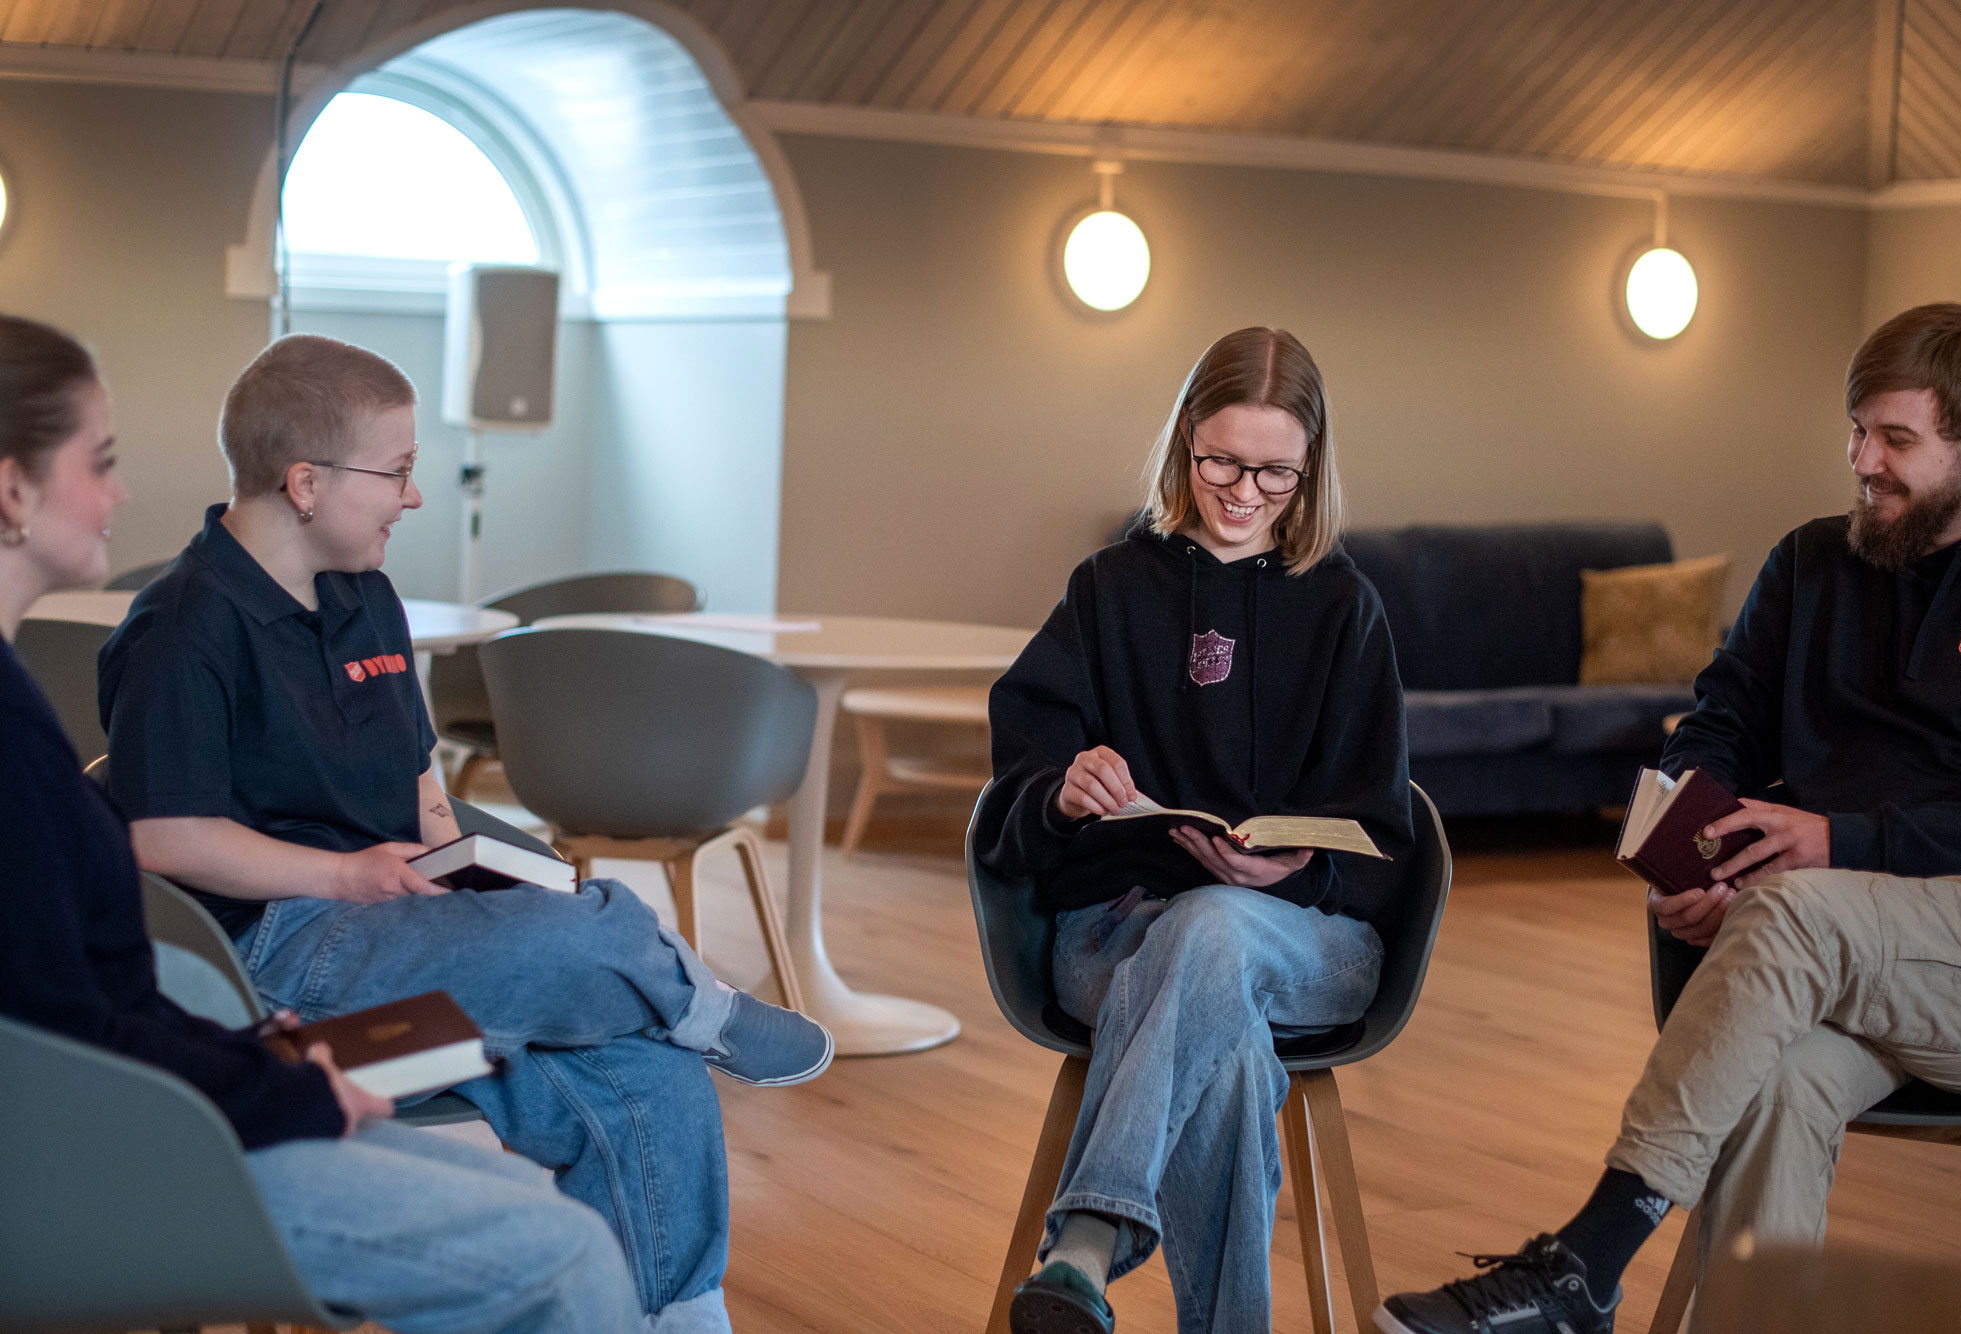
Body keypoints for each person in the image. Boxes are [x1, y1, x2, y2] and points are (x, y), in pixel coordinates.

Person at [95, 332, 833, 1334]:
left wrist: (466, 871)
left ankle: (677, 1316)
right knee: (591, 938)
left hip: (396, 921)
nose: (412, 497)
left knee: (643, 1060)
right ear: (305, 482)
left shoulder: (365, 595)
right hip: (270, 955)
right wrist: (344, 875)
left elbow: (417, 782)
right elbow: (165, 839)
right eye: (396, 471)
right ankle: (702, 1003)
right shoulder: (183, 626)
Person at [0, 312, 659, 1333]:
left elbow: (95, 995)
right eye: (103, 461)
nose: (121, 492)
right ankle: (684, 990)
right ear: (13, 490)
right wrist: (288, 1087)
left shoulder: (18, 712)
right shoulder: (143, 652)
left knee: (601, 1099)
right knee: (564, 1245)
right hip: (101, 1153)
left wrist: (273, 1058)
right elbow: (63, 1035)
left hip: (166, 1086)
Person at [1376, 302, 1961, 1334]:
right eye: (1854, 431)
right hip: (1836, 953)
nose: (1862, 461)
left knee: (1790, 910)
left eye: (1895, 440)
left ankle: (1588, 1258)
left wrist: (1839, 842)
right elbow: (1713, 723)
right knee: (1774, 1080)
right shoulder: (1810, 563)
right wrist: (1700, 858)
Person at [976, 327, 1414, 1334]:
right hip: (1116, 931)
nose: (1243, 491)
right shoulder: (1107, 587)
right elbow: (1014, 790)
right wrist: (1062, 791)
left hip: (1309, 940)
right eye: (1221, 461)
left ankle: (1086, 1239)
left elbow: (1385, 843)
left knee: (1215, 924)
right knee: (1229, 1048)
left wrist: (1287, 875)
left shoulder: (1345, 608)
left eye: (1273, 471)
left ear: (1309, 468)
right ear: (1183, 438)